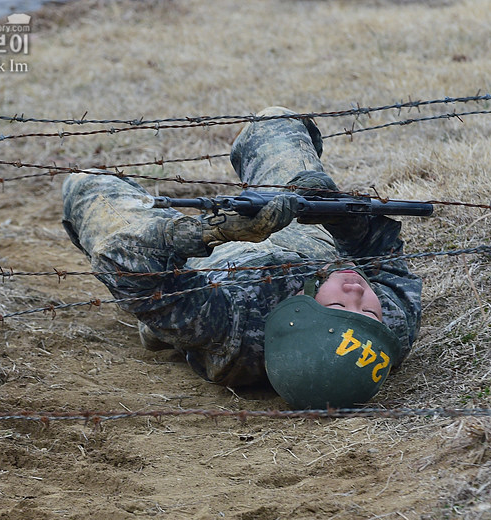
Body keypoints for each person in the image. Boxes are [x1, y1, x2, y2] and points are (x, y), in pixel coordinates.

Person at [61, 107, 422, 408]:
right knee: (275, 121)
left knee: (87, 184)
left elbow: (122, 259)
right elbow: (383, 258)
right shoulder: (386, 332)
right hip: (306, 240)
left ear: (296, 318)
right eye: (370, 312)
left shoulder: (228, 328)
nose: (358, 293)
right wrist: (338, 216)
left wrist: (207, 232)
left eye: (342, 309)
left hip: (203, 267)